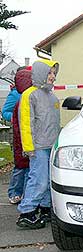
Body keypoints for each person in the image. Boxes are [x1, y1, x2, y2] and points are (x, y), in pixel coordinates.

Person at [17, 59, 60, 229]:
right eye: (50, 73)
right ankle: (27, 212)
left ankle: (44, 207)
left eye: (54, 73)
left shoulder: (52, 96)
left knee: (48, 180)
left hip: (51, 146)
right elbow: (26, 123)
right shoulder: (30, 95)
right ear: (41, 73)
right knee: (39, 179)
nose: (53, 77)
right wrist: (29, 147)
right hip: (39, 147)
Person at [1, 66, 29, 204]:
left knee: (30, 166)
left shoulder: (33, 92)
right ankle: (14, 192)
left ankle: (26, 192)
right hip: (18, 133)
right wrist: (17, 118)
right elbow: (5, 112)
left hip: (31, 132)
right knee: (20, 165)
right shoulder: (15, 94)